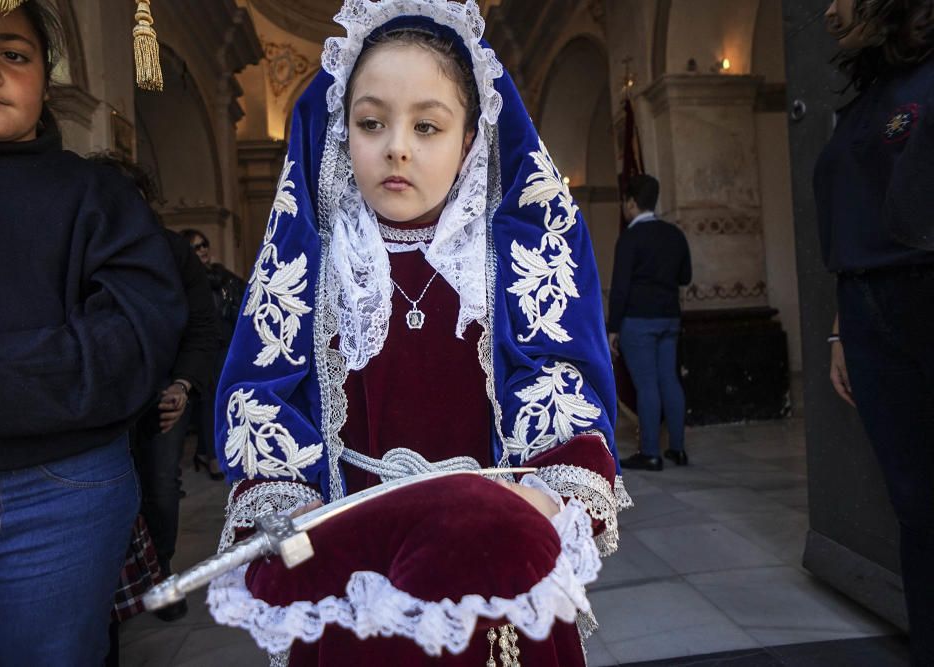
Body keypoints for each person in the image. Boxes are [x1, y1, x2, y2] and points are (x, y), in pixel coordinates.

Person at [204, 1, 631, 664]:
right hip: (359, 577)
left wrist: (540, 501)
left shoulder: (516, 262)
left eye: (427, 125)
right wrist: (286, 522)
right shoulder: (318, 266)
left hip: (493, 573)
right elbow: (266, 402)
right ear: (345, 133)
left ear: (470, 139)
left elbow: (567, 402)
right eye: (371, 122)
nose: (397, 145)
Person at [0, 3, 186, 665]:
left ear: (46, 79)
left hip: (56, 493)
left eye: (13, 53)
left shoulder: (96, 193)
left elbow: (133, 343)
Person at [818, 1, 934, 664]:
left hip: (923, 290)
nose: (829, 10)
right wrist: (841, 327)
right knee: (917, 511)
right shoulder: (868, 94)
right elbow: (851, 214)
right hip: (868, 309)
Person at [89, 154, 221, 625]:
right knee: (107, 492)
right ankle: (104, 587)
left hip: (164, 390)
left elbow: (202, 322)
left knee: (161, 486)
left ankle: (161, 573)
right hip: (99, 398)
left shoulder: (172, 251)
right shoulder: (83, 245)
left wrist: (183, 384)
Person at [607, 174, 692, 471]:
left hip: (638, 321)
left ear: (631, 202)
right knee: (669, 379)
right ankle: (678, 450)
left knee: (647, 386)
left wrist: (612, 329)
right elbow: (686, 277)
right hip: (670, 318)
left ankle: (651, 452)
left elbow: (620, 287)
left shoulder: (630, 237)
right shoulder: (675, 235)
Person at [181, 228, 244, 480]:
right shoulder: (185, 281)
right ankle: (212, 456)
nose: (202, 250)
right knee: (211, 402)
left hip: (229, 346)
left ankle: (213, 452)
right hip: (207, 348)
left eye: (204, 244)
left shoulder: (222, 274)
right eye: (195, 247)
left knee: (228, 399)